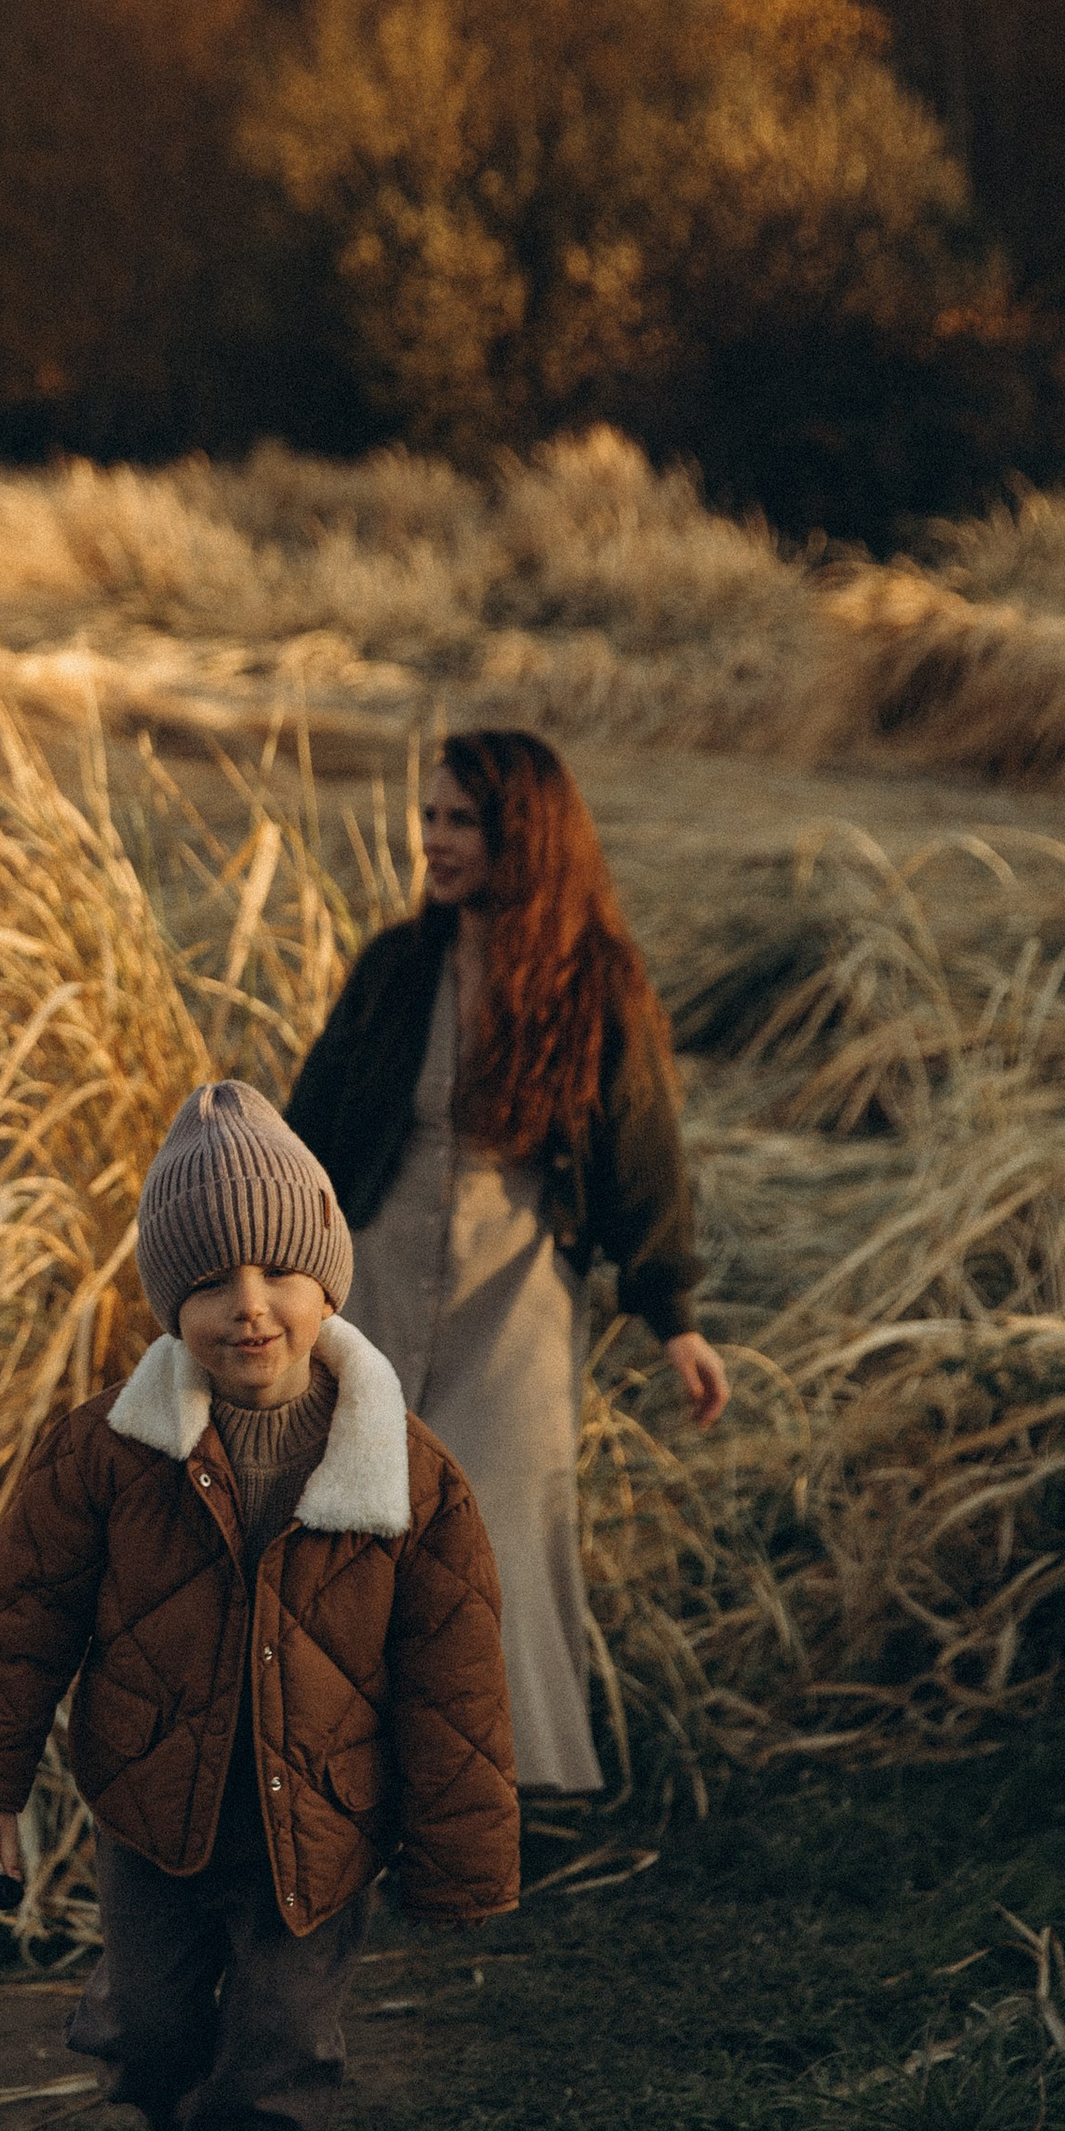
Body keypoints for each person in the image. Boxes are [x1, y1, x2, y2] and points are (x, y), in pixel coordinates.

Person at [0, 1080, 518, 2131]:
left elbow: (452, 1675)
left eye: (278, 1272)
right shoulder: (103, 1454)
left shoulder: (405, 1471)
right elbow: (21, 1619)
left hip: (323, 1827)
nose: (249, 1304)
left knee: (282, 2044)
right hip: (155, 1812)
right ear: (168, 1304)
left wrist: (459, 1854)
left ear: (327, 1286)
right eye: (210, 1282)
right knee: (150, 2032)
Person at [284, 727, 727, 1801]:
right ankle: (358, 1785)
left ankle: (492, 1790)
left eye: (460, 821)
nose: (432, 840)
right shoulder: (397, 966)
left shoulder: (593, 982)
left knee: (492, 1531)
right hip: (381, 1268)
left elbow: (639, 1148)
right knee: (366, 1524)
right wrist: (273, 1266)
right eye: (429, 816)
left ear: (520, 835)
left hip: (518, 1285)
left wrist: (671, 1313)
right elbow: (315, 1119)